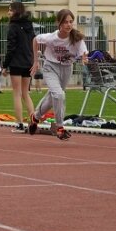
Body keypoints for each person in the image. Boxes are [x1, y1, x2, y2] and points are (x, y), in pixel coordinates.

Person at [29, 9, 88, 140]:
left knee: (54, 97)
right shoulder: (51, 37)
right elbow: (35, 40)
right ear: (59, 23)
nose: (68, 25)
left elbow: (84, 52)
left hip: (67, 69)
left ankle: (35, 117)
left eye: (71, 22)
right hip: (50, 67)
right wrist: (35, 61)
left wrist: (84, 58)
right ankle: (60, 127)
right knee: (59, 94)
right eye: (65, 22)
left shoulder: (76, 38)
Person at [1, 2, 36, 133]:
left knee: (16, 93)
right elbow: (34, 42)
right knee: (26, 93)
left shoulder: (13, 26)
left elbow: (11, 48)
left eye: (10, 10)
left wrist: (5, 66)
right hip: (28, 61)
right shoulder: (29, 25)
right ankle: (33, 121)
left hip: (16, 62)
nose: (8, 12)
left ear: (15, 11)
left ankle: (20, 124)